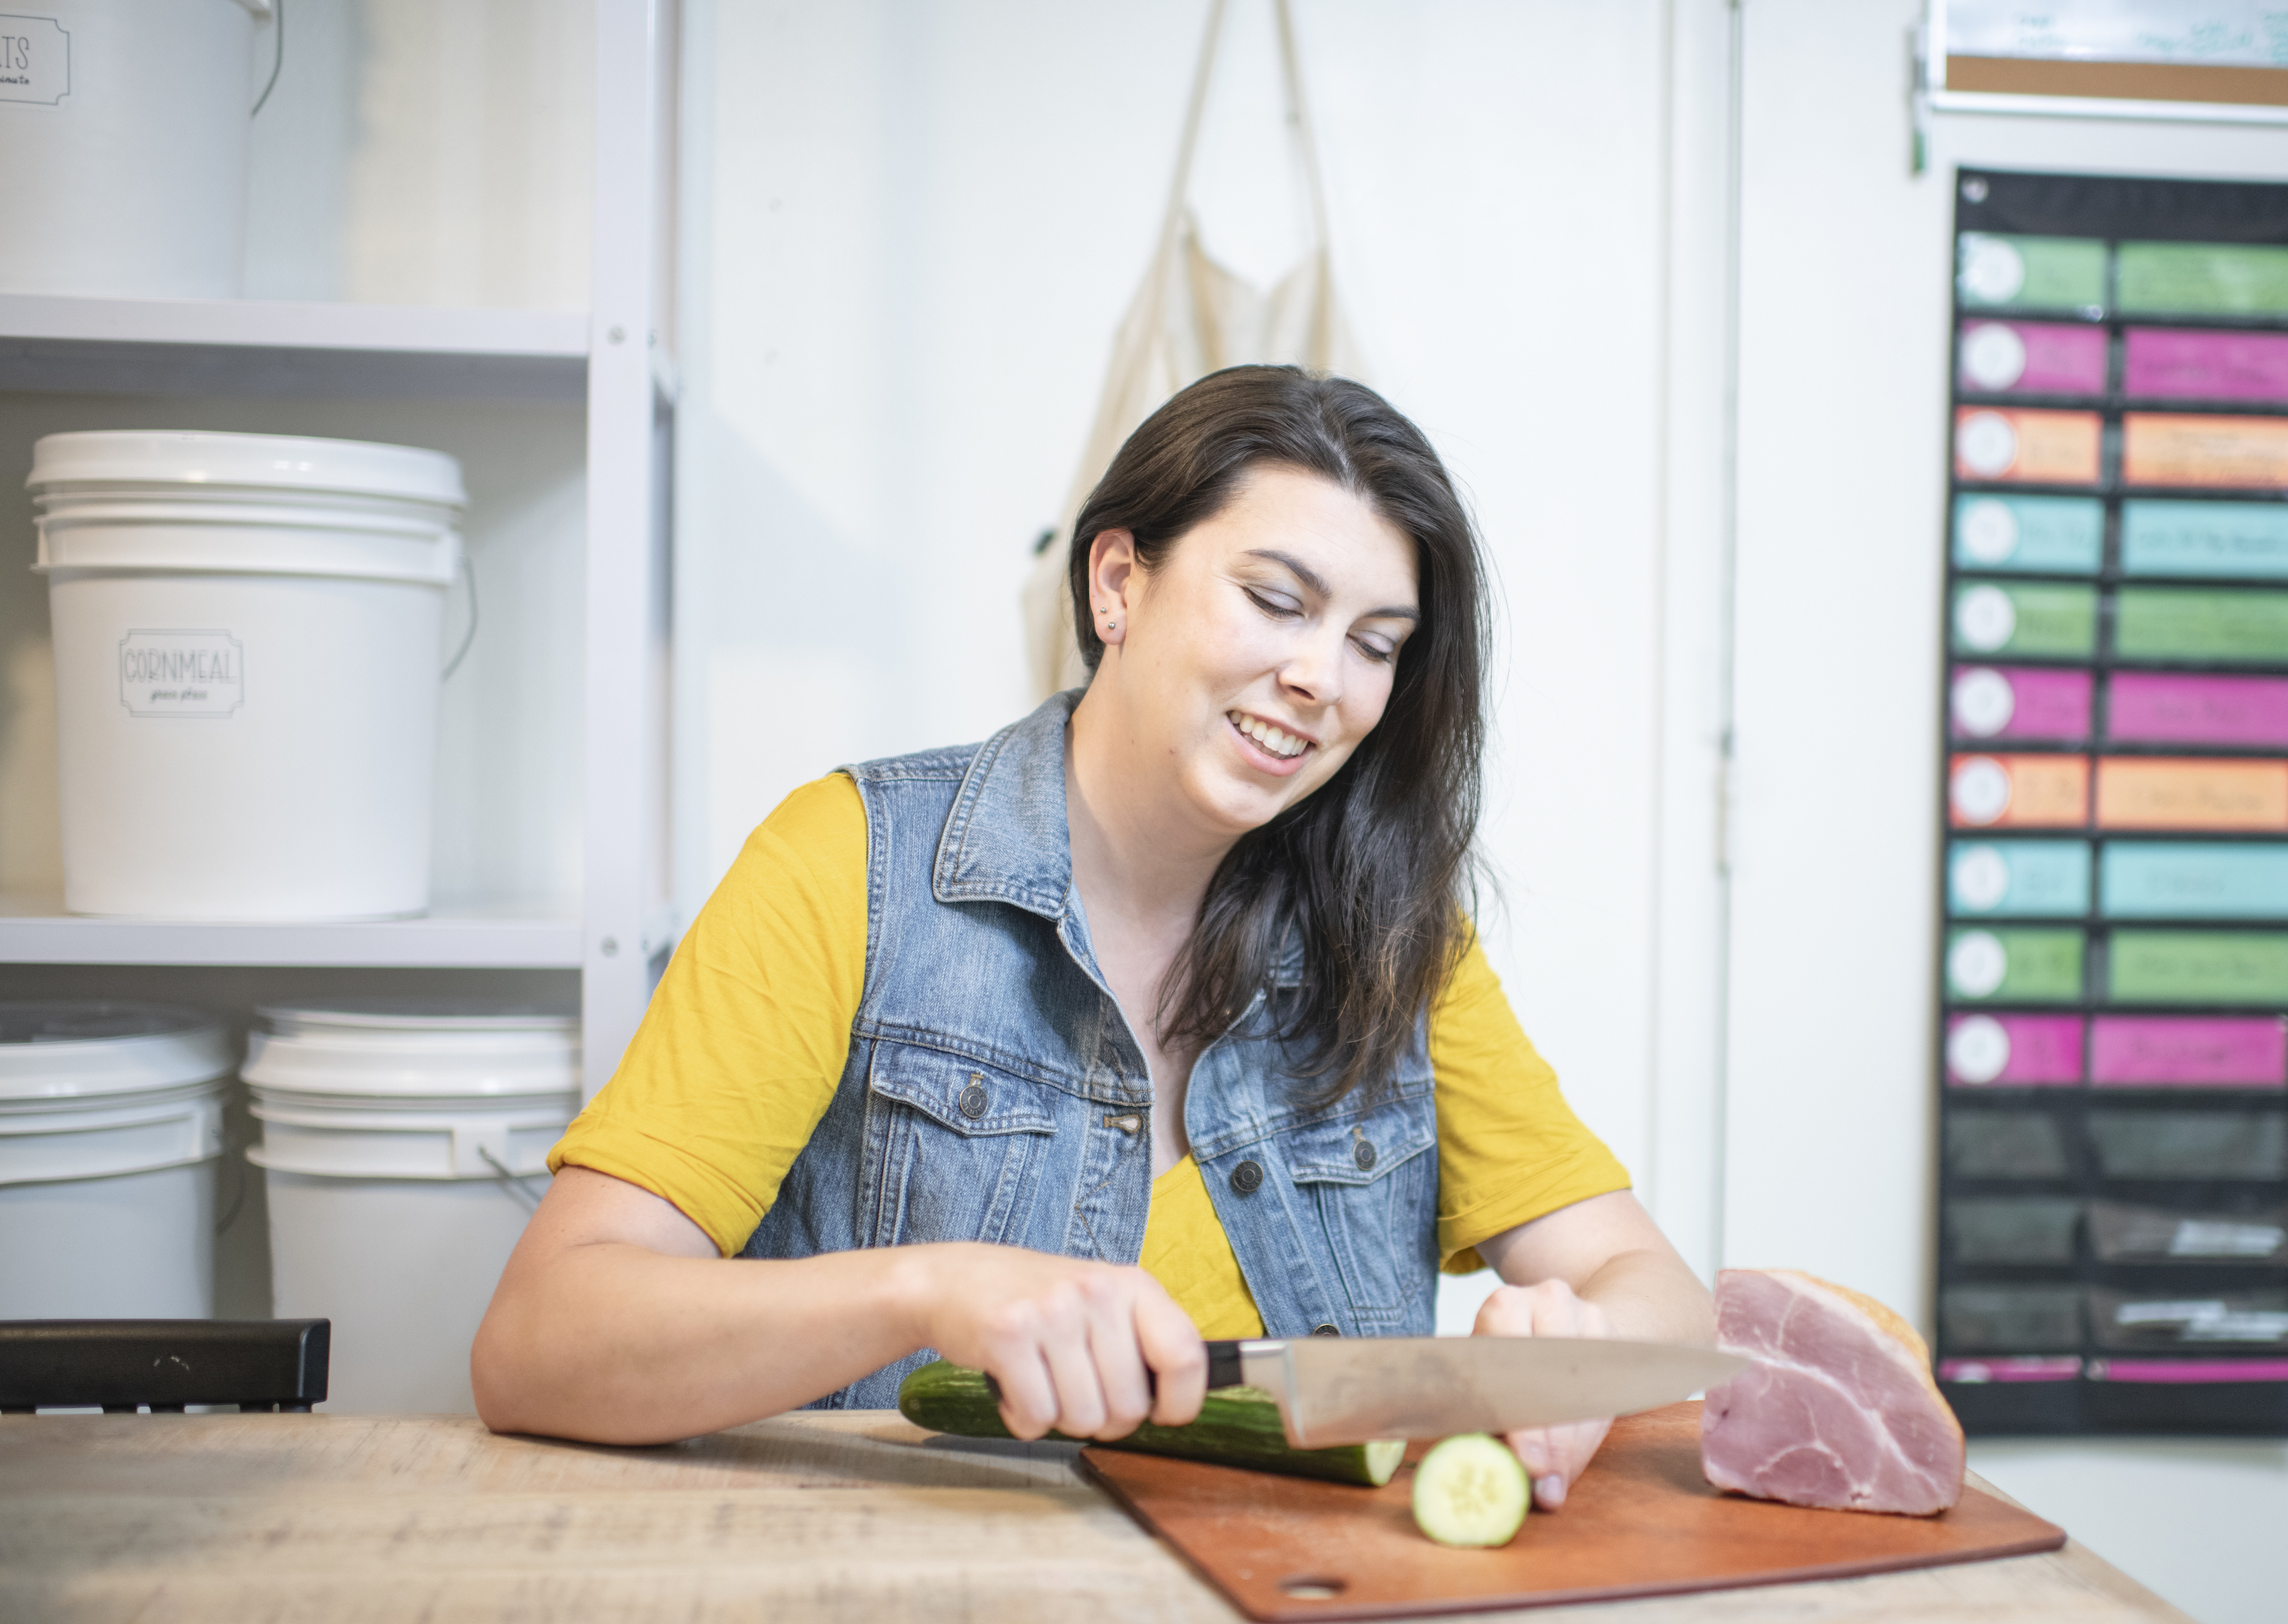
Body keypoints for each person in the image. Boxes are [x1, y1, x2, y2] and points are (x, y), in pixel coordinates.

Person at [472, 366, 1713, 1509]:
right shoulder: (848, 863)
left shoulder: (1396, 939)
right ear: (1119, 583)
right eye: (1277, 602)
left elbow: (1662, 1298)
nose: (1322, 680)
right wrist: (930, 1287)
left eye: (1375, 645)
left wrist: (1583, 1350)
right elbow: (541, 1344)